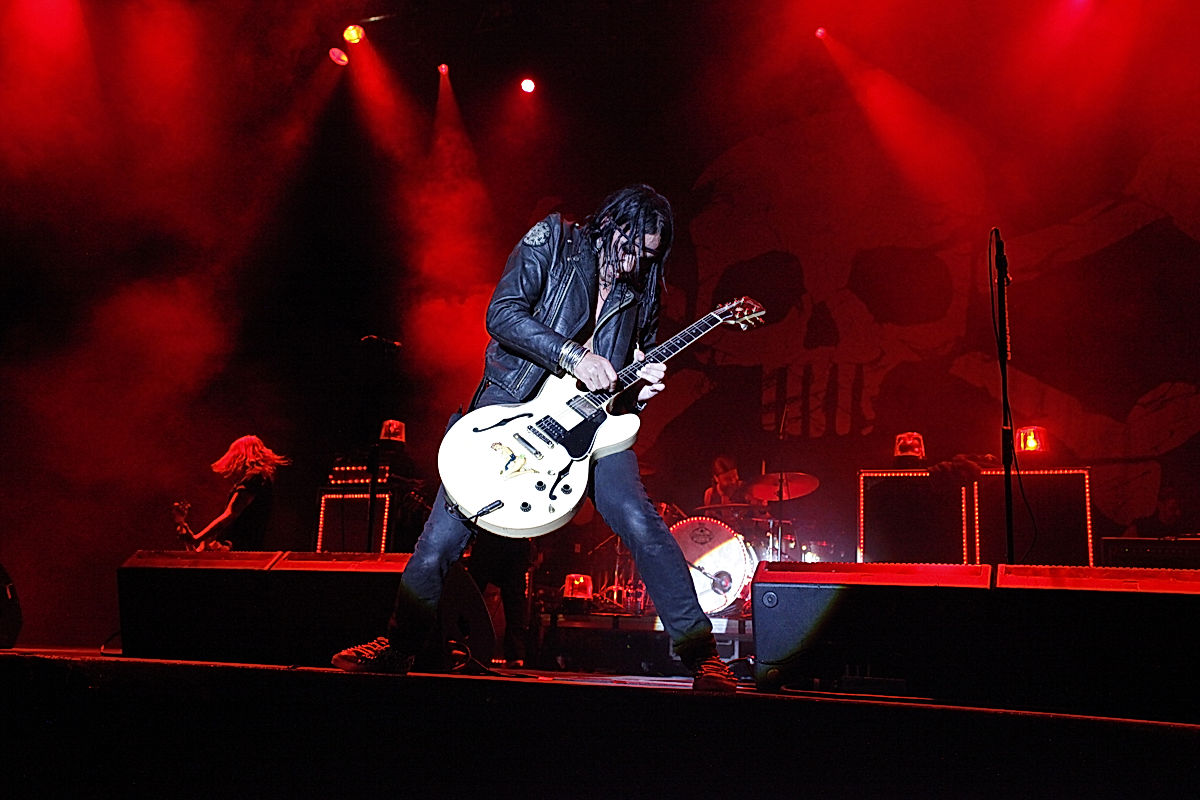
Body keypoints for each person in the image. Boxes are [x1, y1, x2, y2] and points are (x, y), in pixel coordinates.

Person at [332, 184, 738, 692]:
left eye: (650, 255)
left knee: (641, 522)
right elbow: (502, 315)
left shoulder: (643, 288)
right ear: (610, 227)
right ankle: (396, 647)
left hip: (594, 432)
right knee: (441, 538)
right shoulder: (552, 240)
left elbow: (626, 380)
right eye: (632, 248)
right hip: (513, 414)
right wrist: (573, 356)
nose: (637, 263)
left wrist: (643, 388)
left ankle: (702, 657)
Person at [181, 435, 290, 551]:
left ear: (240, 455)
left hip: (238, 548)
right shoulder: (259, 479)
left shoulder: (254, 478)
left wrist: (197, 538)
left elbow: (231, 514)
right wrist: (192, 540)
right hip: (238, 547)